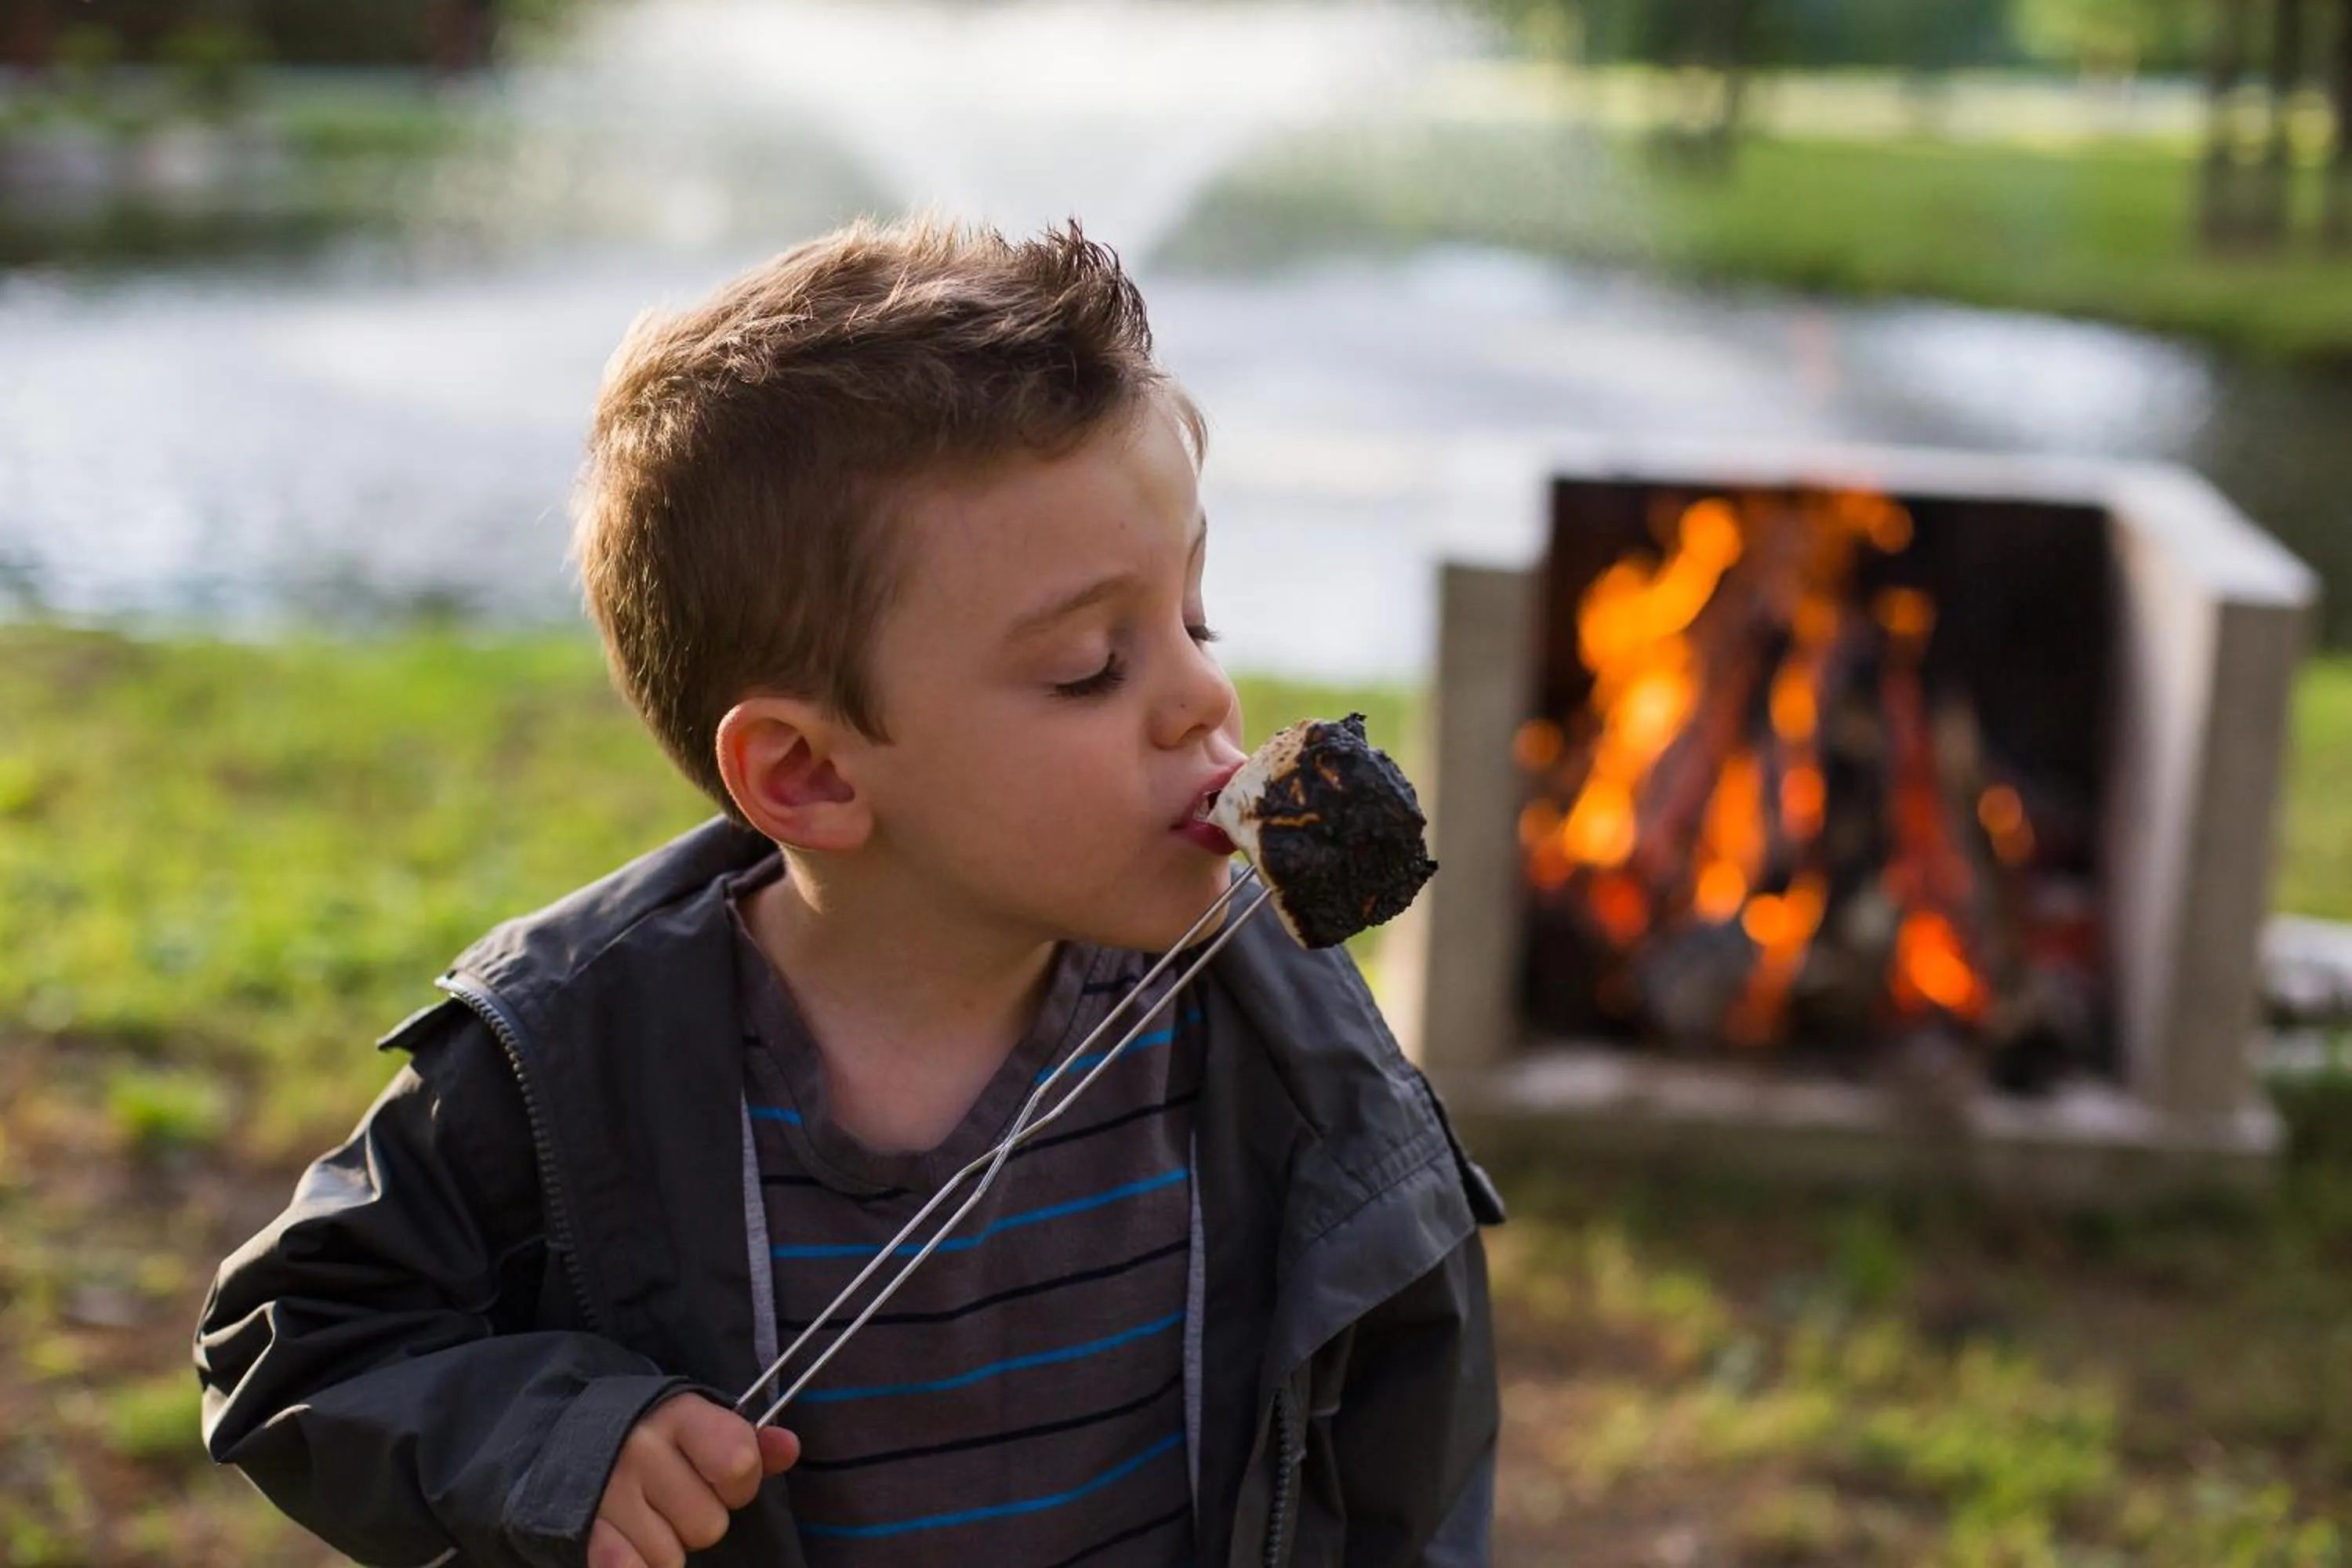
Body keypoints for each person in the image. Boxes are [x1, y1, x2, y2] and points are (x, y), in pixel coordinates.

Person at [196, 216, 1502, 1568]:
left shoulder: (1280, 1025)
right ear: (811, 773)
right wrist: (558, 1440)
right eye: (1088, 668)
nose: (1205, 697)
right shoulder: (569, 1060)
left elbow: (1409, 1454)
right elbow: (298, 1341)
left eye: (1194, 618)